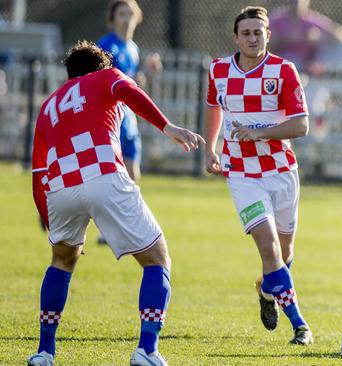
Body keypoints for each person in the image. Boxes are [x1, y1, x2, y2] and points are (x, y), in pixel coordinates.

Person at [27, 40, 204, 366]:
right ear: (102, 66)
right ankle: (147, 350)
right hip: (103, 176)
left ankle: (44, 352)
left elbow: (39, 169)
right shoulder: (105, 77)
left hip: (60, 189)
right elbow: (130, 93)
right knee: (158, 259)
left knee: (61, 262)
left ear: (69, 75)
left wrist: (47, 215)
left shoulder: (49, 105)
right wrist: (168, 127)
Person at [204, 6, 313, 345]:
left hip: (281, 170)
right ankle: (300, 325)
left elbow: (301, 125)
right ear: (236, 37)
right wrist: (211, 148)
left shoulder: (283, 70)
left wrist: (260, 132)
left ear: (268, 35)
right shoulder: (219, 70)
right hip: (242, 174)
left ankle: (268, 292)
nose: (252, 38)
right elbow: (212, 107)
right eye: (246, 33)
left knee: (285, 251)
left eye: (258, 32)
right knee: (268, 250)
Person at [98, 0, 163, 184]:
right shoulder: (106, 46)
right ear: (113, 19)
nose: (127, 19)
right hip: (109, 118)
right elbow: (104, 83)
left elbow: (131, 84)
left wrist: (147, 74)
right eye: (121, 14)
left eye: (130, 14)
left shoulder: (133, 48)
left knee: (133, 173)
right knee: (109, 176)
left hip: (127, 117)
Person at [269, 0, 342, 74]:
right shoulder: (276, 19)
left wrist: (317, 37)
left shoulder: (313, 20)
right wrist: (287, 39)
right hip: (280, 68)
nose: (297, 3)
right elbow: (268, 45)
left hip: (306, 70)